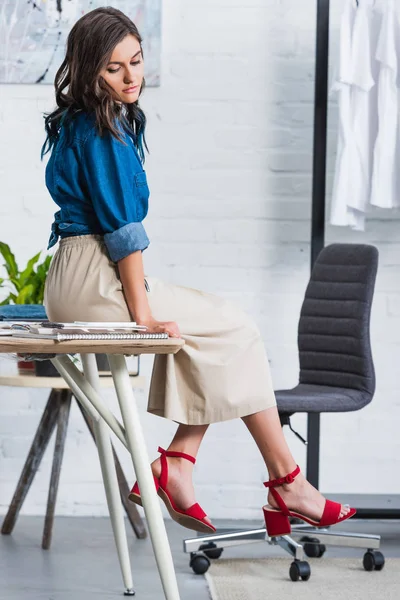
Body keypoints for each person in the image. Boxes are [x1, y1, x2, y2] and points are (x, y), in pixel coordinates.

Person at [42, 7, 355, 536]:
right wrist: (142, 315)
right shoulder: (101, 131)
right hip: (96, 277)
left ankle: (183, 466)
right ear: (90, 70)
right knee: (235, 327)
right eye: (114, 68)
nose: (130, 77)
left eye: (136, 62)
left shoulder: (81, 122)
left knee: (218, 329)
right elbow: (123, 229)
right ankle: (283, 482)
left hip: (71, 278)